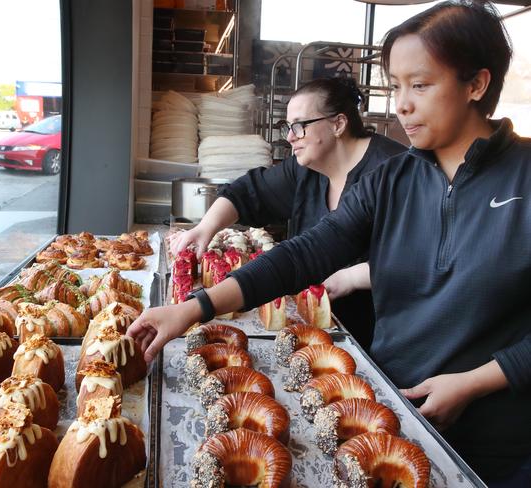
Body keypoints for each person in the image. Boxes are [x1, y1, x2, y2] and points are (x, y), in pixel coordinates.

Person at [130, 1, 531, 484]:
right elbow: (307, 252)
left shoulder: (524, 176)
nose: (401, 104)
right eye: (395, 86)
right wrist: (194, 308)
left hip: (495, 439)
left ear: (476, 84)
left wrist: (473, 383)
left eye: (420, 85)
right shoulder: (393, 178)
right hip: (387, 414)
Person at [170, 76, 406, 349]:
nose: (290, 137)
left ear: (338, 124)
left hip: (377, 334)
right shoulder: (305, 168)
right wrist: (205, 228)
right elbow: (248, 193)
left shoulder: (393, 171)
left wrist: (352, 277)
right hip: (313, 325)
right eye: (287, 127)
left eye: (299, 126)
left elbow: (415, 260)